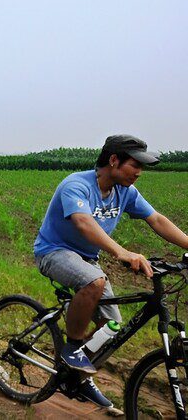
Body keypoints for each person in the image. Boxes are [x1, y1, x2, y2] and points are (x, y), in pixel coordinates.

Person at [33, 134, 188, 409]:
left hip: (86, 258)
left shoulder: (125, 191)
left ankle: (77, 378)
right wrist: (122, 252)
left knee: (112, 327)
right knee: (94, 280)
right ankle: (71, 349)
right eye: (134, 164)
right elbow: (82, 222)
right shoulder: (76, 185)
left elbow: (157, 220)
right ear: (113, 160)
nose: (139, 172)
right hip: (54, 252)